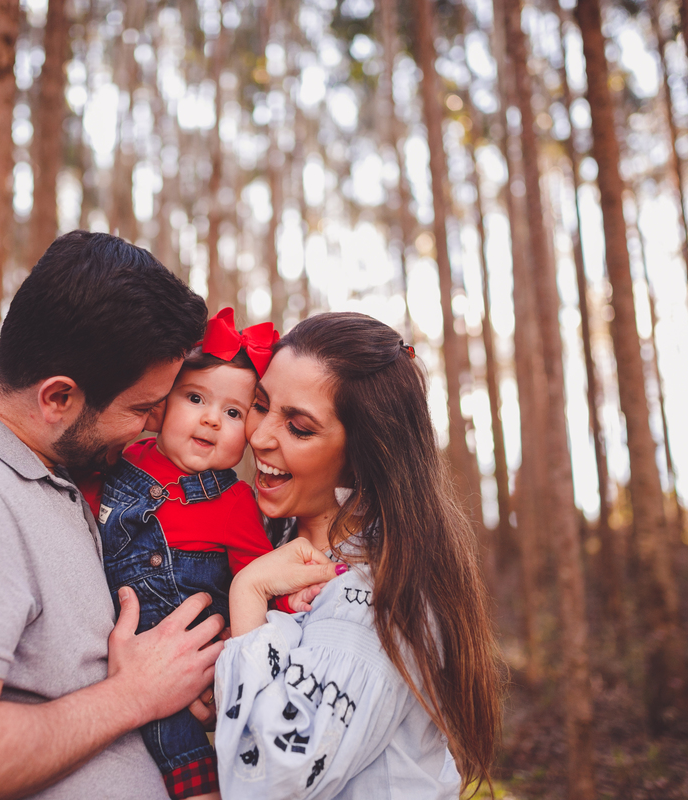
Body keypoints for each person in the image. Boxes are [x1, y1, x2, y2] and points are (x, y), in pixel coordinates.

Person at [0, 231, 240, 800]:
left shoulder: (60, 476)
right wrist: (136, 694)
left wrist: (178, 680)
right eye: (140, 409)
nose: (153, 427)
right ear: (58, 398)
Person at [212, 312, 504, 799]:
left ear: (361, 454)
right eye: (260, 406)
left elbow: (267, 780)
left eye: (299, 428)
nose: (260, 436)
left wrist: (248, 593)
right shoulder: (273, 542)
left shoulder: (369, 600)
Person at [83, 308, 282, 800]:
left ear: (251, 434)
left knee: (184, 750)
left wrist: (233, 651)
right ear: (162, 406)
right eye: (195, 398)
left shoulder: (235, 501)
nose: (212, 418)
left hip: (186, 663)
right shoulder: (121, 459)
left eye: (234, 412)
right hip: (107, 652)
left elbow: (259, 582)